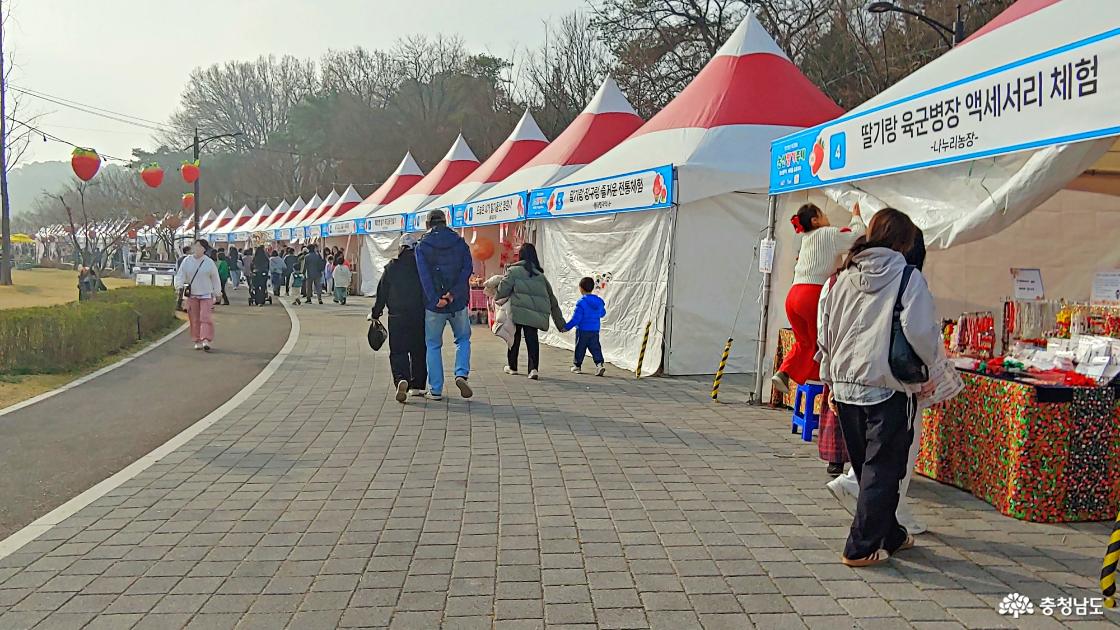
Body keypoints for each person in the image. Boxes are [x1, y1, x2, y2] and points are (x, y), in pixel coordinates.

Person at [816, 208, 942, 567]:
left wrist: (829, 377)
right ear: (904, 242)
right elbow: (920, 332)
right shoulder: (907, 277)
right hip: (888, 384)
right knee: (882, 470)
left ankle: (890, 534)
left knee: (869, 467)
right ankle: (860, 546)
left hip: (844, 383)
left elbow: (826, 330)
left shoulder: (840, 277)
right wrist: (928, 367)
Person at [772, 202, 866, 395]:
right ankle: (821, 384)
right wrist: (856, 217)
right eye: (822, 214)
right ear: (815, 220)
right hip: (812, 294)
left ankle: (785, 371)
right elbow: (856, 238)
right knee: (821, 341)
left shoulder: (806, 238)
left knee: (804, 341)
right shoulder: (828, 234)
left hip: (794, 295)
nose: (827, 216)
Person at [414, 209, 474, 400]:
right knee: (463, 338)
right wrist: (452, 294)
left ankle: (436, 389)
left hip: (434, 306)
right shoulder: (459, 242)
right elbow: (467, 269)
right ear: (445, 221)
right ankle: (461, 373)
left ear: (428, 224)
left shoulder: (422, 246)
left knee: (432, 344)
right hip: (458, 302)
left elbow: (424, 276)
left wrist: (436, 298)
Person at [494, 244, 567, 380]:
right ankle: (533, 369)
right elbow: (552, 299)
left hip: (517, 311)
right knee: (532, 339)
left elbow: (503, 289)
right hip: (535, 314)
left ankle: (513, 367)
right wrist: (560, 323)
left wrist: (496, 296)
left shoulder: (513, 271)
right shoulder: (540, 275)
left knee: (513, 338)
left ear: (520, 256)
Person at [372, 236, 427, 403]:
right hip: (418, 314)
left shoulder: (391, 267)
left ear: (401, 248)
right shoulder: (421, 267)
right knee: (418, 350)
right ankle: (417, 385)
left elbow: (381, 293)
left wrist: (376, 313)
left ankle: (401, 379)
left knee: (398, 351)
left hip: (396, 316)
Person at [175, 239, 222, 352]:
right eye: (195, 246)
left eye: (200, 247)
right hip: (192, 294)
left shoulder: (209, 262)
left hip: (206, 293)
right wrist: (179, 286)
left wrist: (217, 292)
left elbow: (215, 278)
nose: (197, 249)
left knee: (205, 317)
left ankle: (206, 339)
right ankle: (197, 340)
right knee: (194, 318)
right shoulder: (187, 261)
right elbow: (180, 275)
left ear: (204, 249)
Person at [565, 276, 607, 376]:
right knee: (595, 348)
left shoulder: (581, 303)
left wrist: (566, 327)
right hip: (594, 330)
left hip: (582, 330)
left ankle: (577, 366)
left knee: (580, 348)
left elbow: (576, 319)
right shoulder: (599, 302)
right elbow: (602, 313)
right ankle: (599, 364)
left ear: (581, 288)